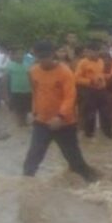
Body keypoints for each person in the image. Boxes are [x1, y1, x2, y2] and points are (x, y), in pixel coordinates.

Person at [23, 41, 97, 182]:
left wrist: (60, 116)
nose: (44, 60)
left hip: (65, 123)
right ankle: (26, 185)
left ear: (53, 54)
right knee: (33, 156)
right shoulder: (33, 71)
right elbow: (35, 93)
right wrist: (33, 111)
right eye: (40, 56)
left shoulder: (64, 72)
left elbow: (70, 96)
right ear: (35, 56)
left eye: (46, 56)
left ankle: (93, 183)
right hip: (42, 121)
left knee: (73, 158)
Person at [74, 41, 112, 139]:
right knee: (90, 114)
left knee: (106, 113)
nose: (90, 54)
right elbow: (76, 78)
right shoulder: (83, 62)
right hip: (89, 92)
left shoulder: (101, 61)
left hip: (102, 91)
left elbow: (101, 74)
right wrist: (90, 81)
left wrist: (106, 77)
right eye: (88, 52)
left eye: (93, 52)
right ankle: (89, 134)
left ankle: (108, 133)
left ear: (98, 52)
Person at [1, 48, 32, 127]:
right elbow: (5, 80)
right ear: (13, 56)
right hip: (15, 91)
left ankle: (24, 121)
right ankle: (20, 122)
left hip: (28, 91)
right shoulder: (10, 66)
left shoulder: (28, 65)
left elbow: (32, 78)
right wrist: (5, 94)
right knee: (18, 108)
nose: (19, 56)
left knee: (26, 108)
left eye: (21, 54)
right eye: (17, 54)